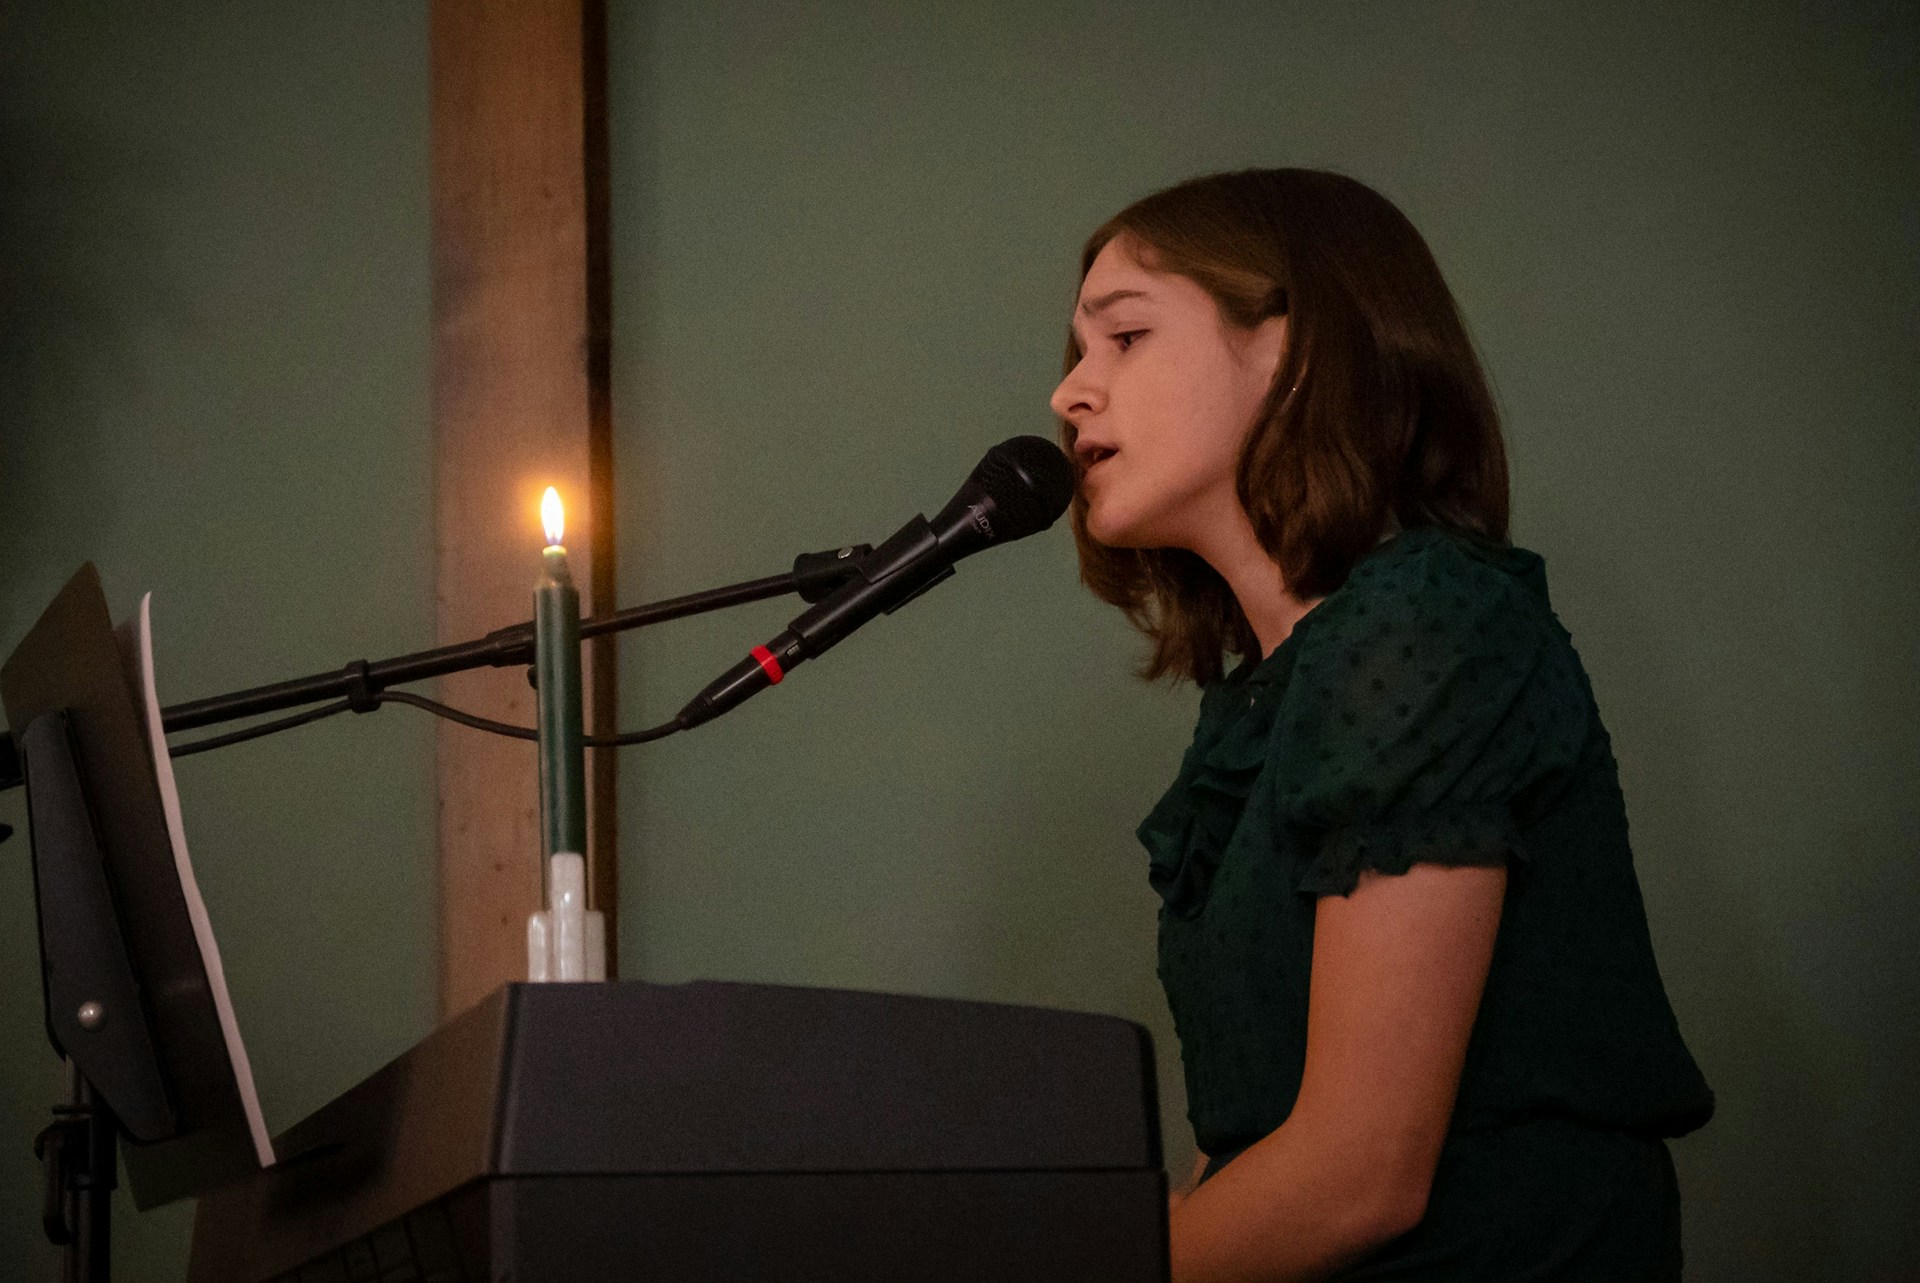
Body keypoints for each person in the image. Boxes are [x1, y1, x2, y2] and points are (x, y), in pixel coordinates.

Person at [1049, 168, 1713, 1282]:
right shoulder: (1260, 700)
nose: (1072, 391)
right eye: (1077, 351)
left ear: (1299, 351)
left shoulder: (1421, 622)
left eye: (1124, 337)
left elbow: (1362, 1170)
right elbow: (1254, 1143)